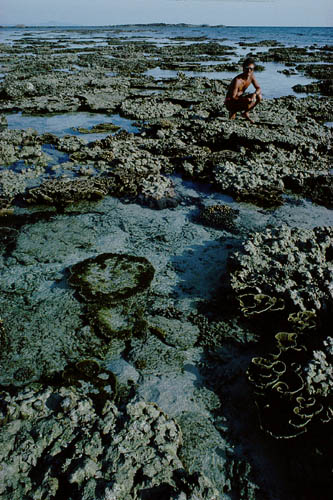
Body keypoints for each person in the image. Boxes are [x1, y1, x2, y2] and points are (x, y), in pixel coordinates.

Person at [224, 58, 263, 123]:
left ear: (253, 70)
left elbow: (258, 88)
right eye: (247, 68)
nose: (249, 70)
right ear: (243, 68)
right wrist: (245, 100)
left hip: (240, 98)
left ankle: (245, 113)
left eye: (251, 69)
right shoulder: (237, 80)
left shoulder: (251, 77)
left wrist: (254, 94)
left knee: (259, 97)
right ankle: (233, 112)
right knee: (231, 121)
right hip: (230, 102)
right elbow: (232, 97)